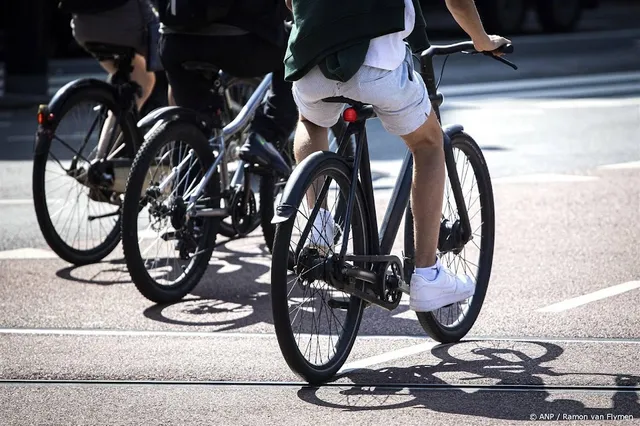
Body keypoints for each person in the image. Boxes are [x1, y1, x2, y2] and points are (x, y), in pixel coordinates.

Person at [284, 0, 511, 312]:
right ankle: (428, 275)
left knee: (311, 121)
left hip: (310, 60)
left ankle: (319, 221)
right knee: (429, 145)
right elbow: (457, 2)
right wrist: (481, 40)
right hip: (377, 62)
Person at [157, 0, 298, 177]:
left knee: (193, 124)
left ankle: (186, 193)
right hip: (234, 40)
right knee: (296, 50)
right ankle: (266, 136)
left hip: (173, 42)